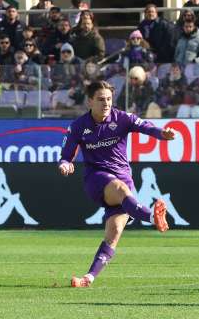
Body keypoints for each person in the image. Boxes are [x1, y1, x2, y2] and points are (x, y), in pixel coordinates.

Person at [59, 81, 176, 288]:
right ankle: (152, 217)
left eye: (109, 99)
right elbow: (66, 156)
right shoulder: (78, 126)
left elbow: (145, 127)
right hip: (97, 179)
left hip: (124, 180)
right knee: (120, 190)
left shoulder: (122, 118)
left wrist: (162, 134)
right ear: (90, 101)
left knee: (113, 235)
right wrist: (65, 164)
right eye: (101, 99)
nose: (106, 104)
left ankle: (88, 278)